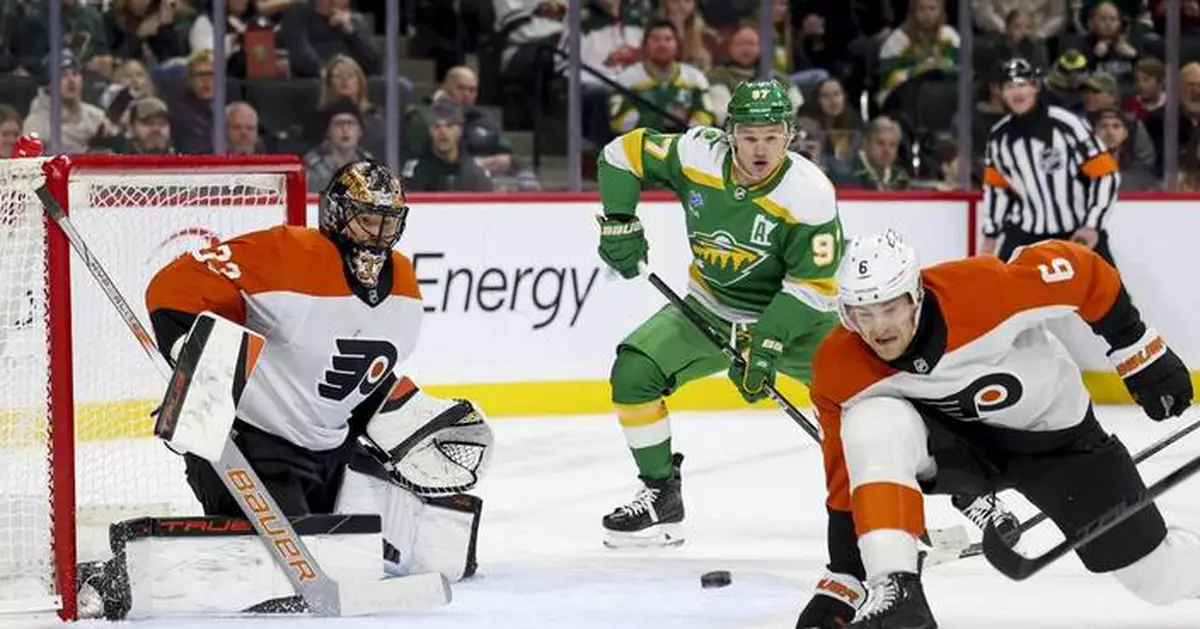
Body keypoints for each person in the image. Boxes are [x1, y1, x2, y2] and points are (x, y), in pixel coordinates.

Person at [594, 80, 1016, 548]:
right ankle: (660, 493)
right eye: (750, 136)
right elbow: (621, 153)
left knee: (883, 399)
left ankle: (971, 491)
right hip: (710, 308)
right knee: (634, 374)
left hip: (800, 321)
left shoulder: (807, 191)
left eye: (772, 136)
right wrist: (619, 219)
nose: (761, 149)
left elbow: (813, 286)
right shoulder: (697, 155)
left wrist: (766, 344)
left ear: (790, 136)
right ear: (729, 132)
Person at [796, 231, 1198, 628]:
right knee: (871, 422)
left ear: (915, 296)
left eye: (889, 309)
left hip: (1058, 442)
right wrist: (845, 575)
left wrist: (1137, 347)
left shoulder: (981, 291)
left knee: (1157, 578)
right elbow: (846, 470)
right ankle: (898, 594)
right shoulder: (839, 365)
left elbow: (1082, 271)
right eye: (861, 314)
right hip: (957, 449)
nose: (877, 328)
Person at [142, 160, 490, 590]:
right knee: (298, 569)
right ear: (336, 215)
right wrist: (199, 370)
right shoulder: (290, 254)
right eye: (367, 221)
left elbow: (362, 379)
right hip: (249, 448)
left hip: (331, 453)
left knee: (421, 546)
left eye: (388, 223)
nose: (378, 235)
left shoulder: (404, 285)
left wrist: (411, 417)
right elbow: (172, 286)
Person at [979, 57, 1120, 265]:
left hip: (1076, 231)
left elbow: (1106, 174)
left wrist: (1092, 224)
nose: (1017, 92)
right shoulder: (998, 137)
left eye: (1022, 85)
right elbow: (996, 189)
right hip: (1026, 235)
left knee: (1110, 296)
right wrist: (990, 237)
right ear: (1001, 92)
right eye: (1010, 86)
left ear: (1035, 87)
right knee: (1003, 294)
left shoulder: (1067, 124)